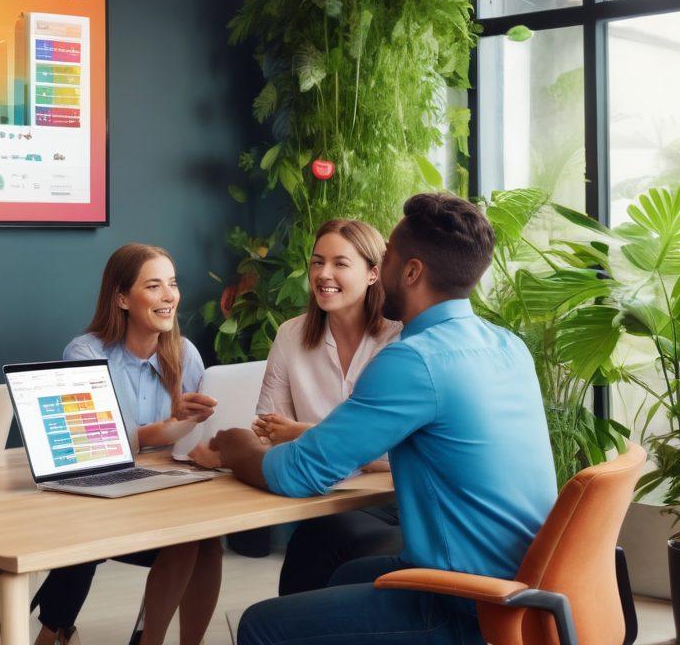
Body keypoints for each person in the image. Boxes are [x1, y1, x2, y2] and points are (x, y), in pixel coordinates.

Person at [210, 193, 558, 645]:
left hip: (467, 600)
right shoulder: (507, 344)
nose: (381, 268)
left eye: (388, 255)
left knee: (262, 625)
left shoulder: (413, 360)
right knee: (345, 574)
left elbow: (298, 473)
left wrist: (237, 446)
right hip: (523, 580)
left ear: (411, 272)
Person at [193, 219, 404, 596]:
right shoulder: (292, 333)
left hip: (385, 502)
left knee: (329, 552)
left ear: (373, 273)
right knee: (310, 552)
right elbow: (268, 430)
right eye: (317, 262)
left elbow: (402, 453)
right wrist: (329, 444)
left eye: (340, 263)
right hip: (314, 495)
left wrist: (305, 433)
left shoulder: (399, 339)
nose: (324, 274)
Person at [32, 244, 221, 645]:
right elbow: (95, 444)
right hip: (101, 494)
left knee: (204, 538)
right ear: (121, 298)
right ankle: (56, 632)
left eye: (172, 284)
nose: (169, 296)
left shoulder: (184, 354)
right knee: (184, 538)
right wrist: (168, 427)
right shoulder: (85, 352)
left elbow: (200, 436)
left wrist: (198, 432)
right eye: (154, 286)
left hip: (163, 494)